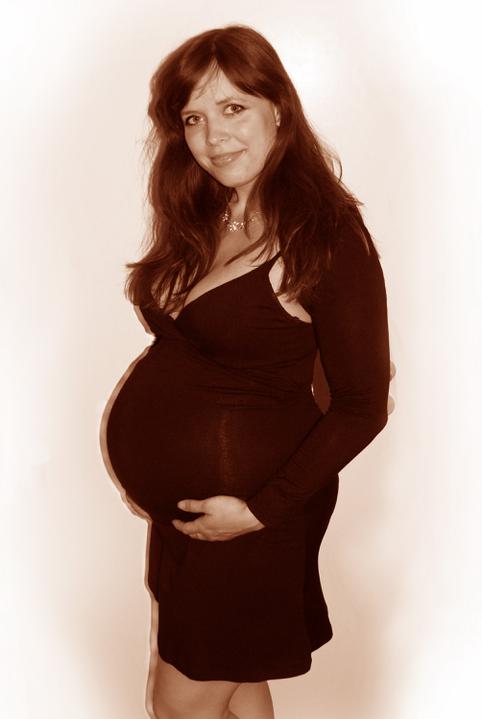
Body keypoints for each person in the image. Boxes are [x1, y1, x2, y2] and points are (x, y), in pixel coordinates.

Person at [103, 23, 392, 719]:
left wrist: (259, 511)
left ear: (279, 109)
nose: (213, 136)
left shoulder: (323, 234)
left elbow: (363, 403)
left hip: (253, 518)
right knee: (237, 682)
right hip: (199, 517)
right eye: (194, 118)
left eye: (233, 107)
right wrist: (155, 471)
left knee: (180, 703)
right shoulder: (212, 212)